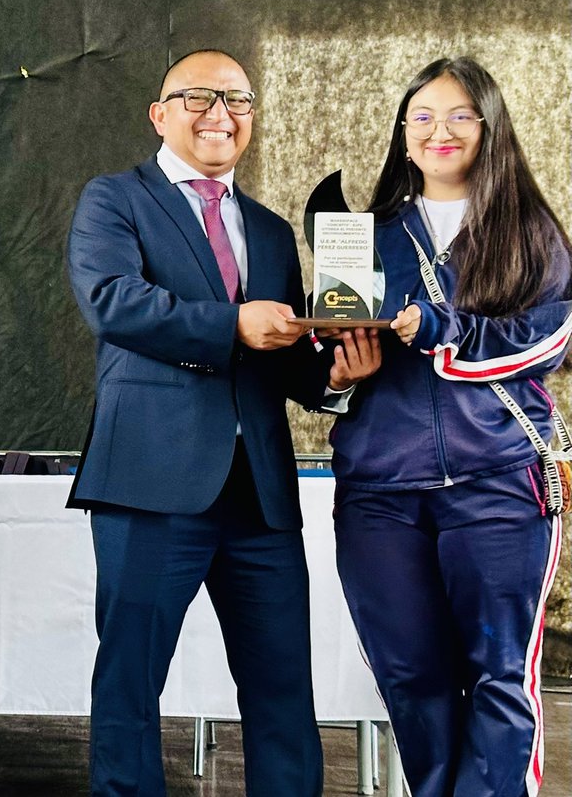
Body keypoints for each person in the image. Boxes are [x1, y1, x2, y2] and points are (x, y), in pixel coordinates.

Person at [66, 48, 380, 797]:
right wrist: (233, 324)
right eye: (199, 97)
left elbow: (282, 356)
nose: (220, 114)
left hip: (262, 497)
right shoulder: (114, 199)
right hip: (148, 480)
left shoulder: (270, 231)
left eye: (237, 101)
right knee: (131, 686)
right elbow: (113, 302)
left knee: (282, 694)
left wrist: (334, 375)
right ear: (160, 113)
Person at [331, 56, 572, 797]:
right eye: (424, 116)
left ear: (490, 128)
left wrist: (445, 328)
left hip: (500, 483)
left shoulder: (529, 230)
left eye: (461, 114)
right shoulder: (363, 236)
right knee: (411, 676)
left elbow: (551, 340)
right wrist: (337, 374)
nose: (441, 130)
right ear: (404, 135)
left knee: (498, 674)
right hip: (379, 492)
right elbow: (326, 356)